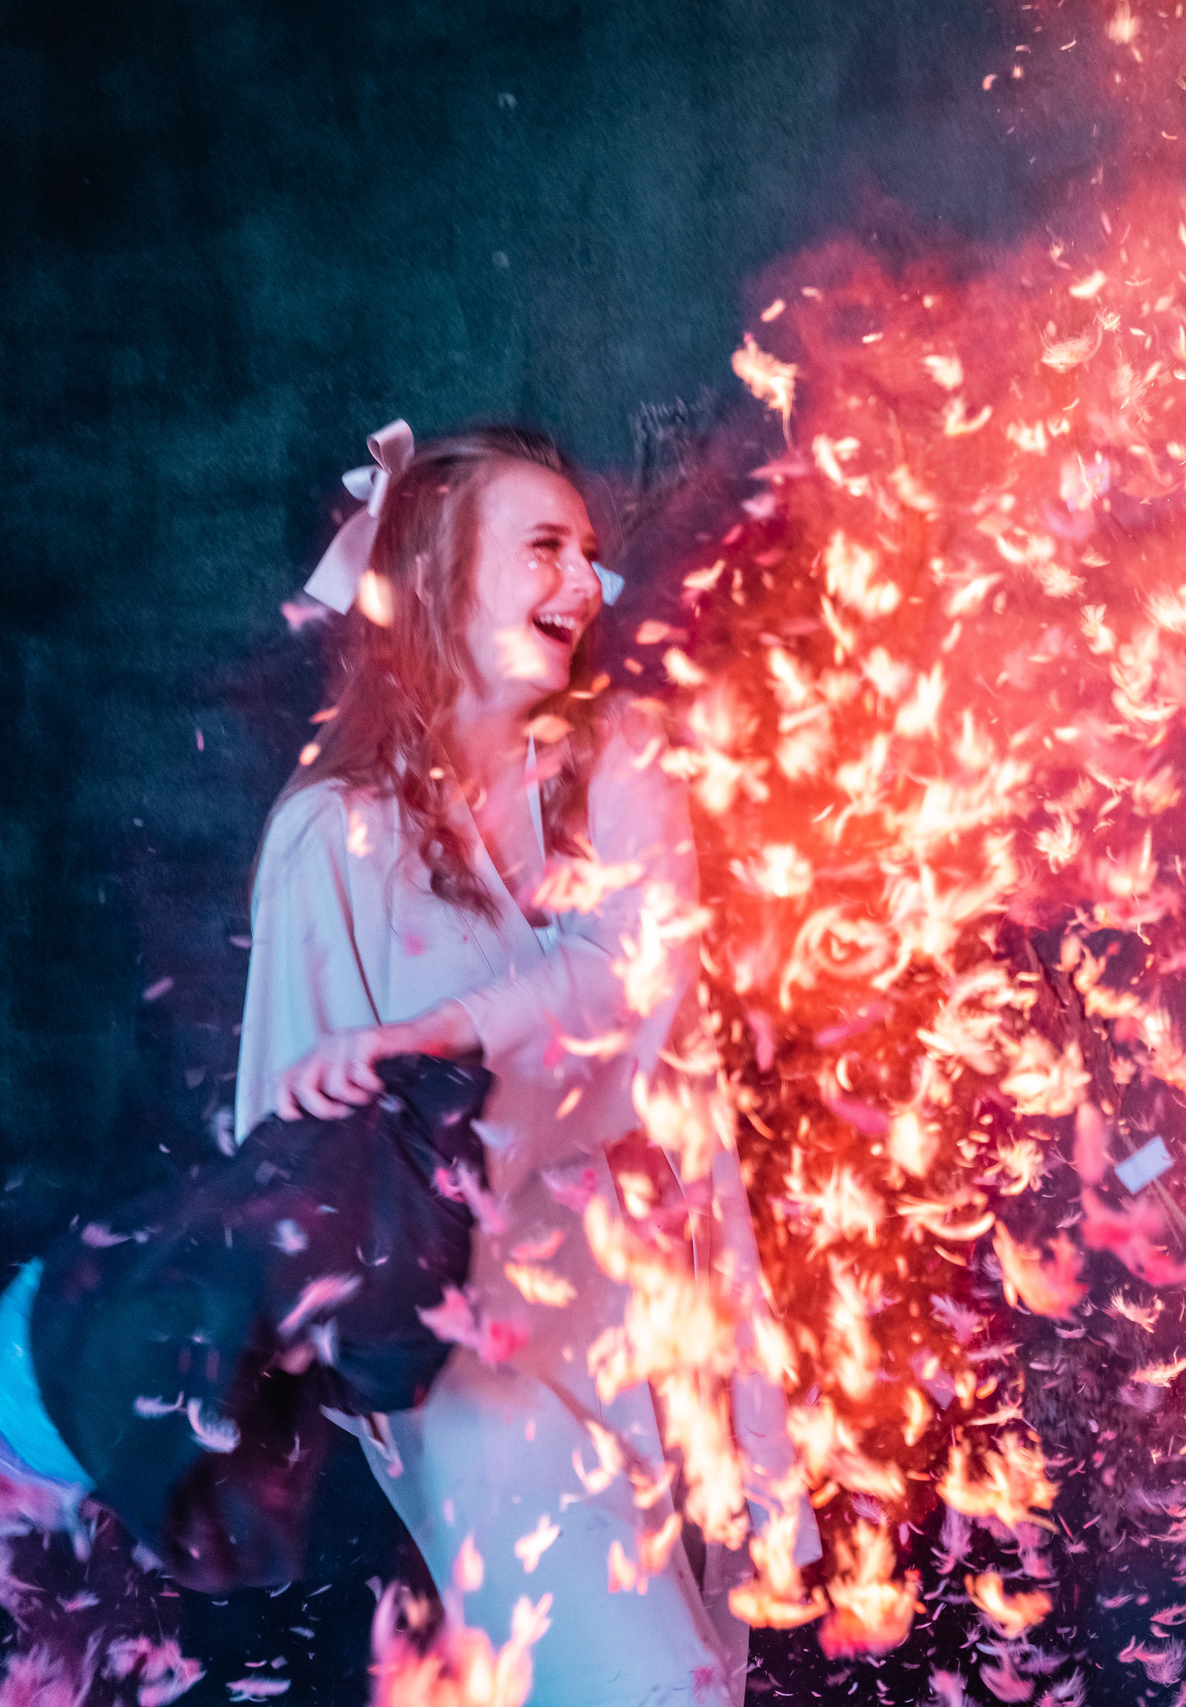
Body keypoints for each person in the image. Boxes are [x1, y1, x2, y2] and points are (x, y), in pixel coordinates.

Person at [237, 422, 810, 1707]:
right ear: (436, 578)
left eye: (588, 554)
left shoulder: (621, 765)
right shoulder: (325, 836)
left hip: (651, 1313)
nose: (580, 585)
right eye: (543, 547)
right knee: (655, 1687)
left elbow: (632, 975)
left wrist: (437, 1035)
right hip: (462, 1356)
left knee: (694, 1664)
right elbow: (278, 1144)